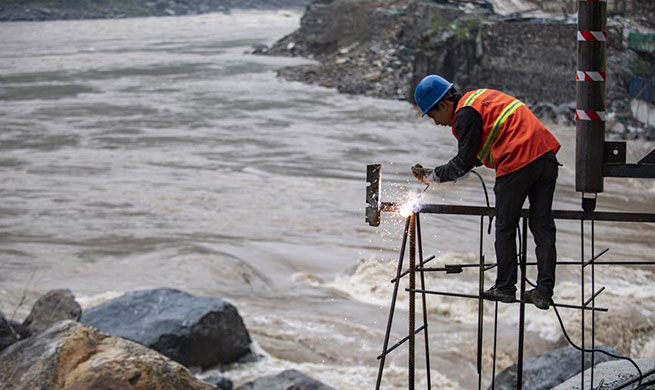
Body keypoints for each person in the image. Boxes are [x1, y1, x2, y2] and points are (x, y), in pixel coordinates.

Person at [410, 74, 561, 310]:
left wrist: (433, 176)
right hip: (545, 156)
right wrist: (440, 173)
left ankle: (506, 287)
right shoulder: (477, 102)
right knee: (542, 226)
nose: (436, 122)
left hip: (518, 160)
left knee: (505, 226)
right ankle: (543, 292)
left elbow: (462, 164)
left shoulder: (464, 115)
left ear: (444, 104)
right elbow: (475, 156)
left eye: (433, 115)